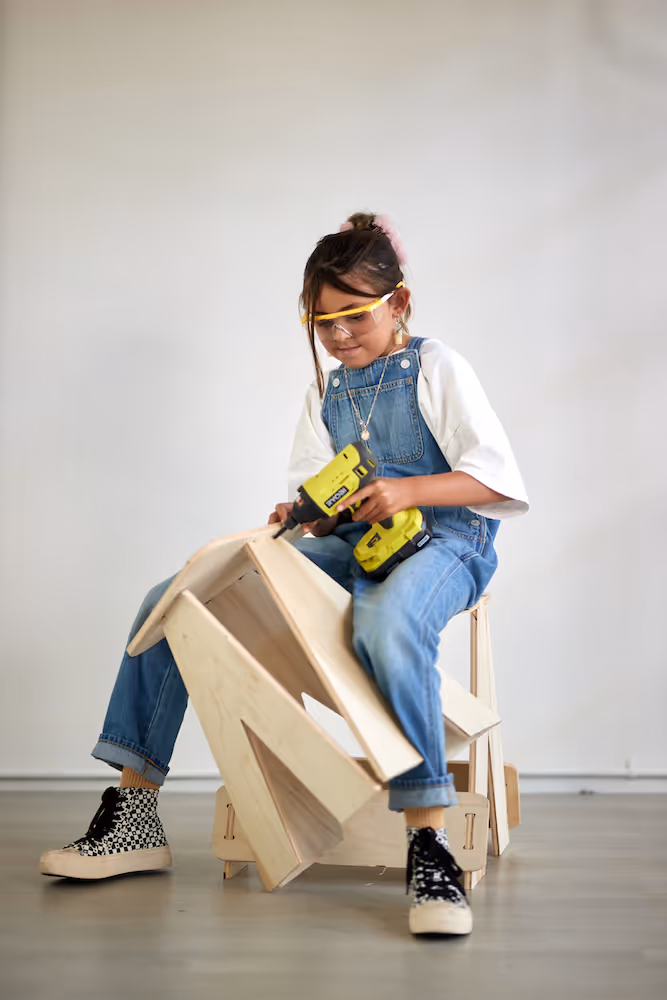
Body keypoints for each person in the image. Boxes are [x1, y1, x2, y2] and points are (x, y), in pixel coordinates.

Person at [40, 212, 529, 937]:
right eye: (320, 321)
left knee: (389, 623)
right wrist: (311, 514)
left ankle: (428, 845)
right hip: (359, 541)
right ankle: (134, 815)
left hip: (447, 539)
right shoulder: (324, 395)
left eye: (353, 316)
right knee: (177, 597)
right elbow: (322, 497)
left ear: (398, 304)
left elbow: (497, 481)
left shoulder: (436, 367)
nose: (336, 336)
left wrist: (410, 490)